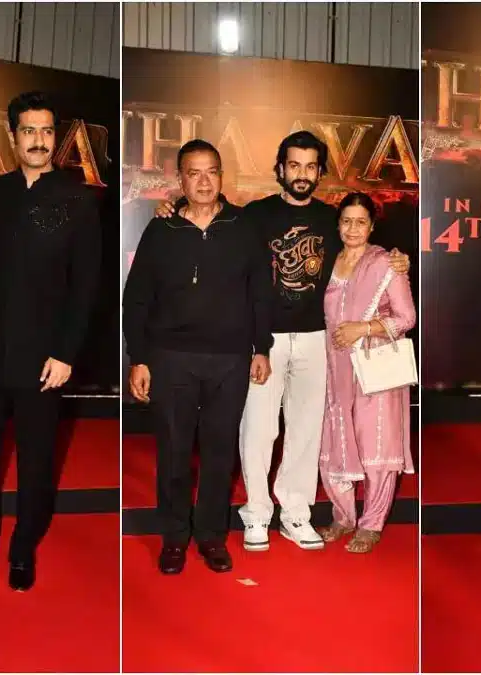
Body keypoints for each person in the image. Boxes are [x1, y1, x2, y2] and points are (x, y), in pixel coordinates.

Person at [155, 131, 409, 552]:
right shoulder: (252, 216)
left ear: (319, 173)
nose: (302, 174)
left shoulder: (332, 219)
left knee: (307, 430)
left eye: (311, 167)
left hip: (315, 339)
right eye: (294, 165)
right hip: (263, 338)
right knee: (258, 428)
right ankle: (256, 514)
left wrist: (397, 259)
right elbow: (205, 214)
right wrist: (173, 207)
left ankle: (295, 512)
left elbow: (364, 247)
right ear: (280, 169)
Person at [0, 91, 101, 591]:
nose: (37, 140)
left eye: (46, 131)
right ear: (13, 137)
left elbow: (87, 286)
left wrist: (65, 354)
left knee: (36, 458)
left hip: (44, 357)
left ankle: (22, 549)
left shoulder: (78, 198)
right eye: (28, 131)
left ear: (56, 139)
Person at [123, 140, 273, 574]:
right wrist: (139, 357)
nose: (204, 181)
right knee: (172, 451)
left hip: (229, 360)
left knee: (219, 452)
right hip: (171, 358)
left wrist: (261, 347)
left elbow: (260, 294)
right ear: (180, 179)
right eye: (194, 172)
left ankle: (210, 536)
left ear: (222, 176)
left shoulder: (244, 226)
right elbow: (136, 300)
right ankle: (173, 536)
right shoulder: (162, 229)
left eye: (212, 172)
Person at [314, 192, 415, 553]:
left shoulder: (386, 263)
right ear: (338, 224)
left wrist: (363, 328)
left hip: (374, 365)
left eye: (361, 222)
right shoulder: (327, 260)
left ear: (371, 226)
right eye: (346, 221)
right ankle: (343, 517)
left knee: (375, 444)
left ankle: (371, 524)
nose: (353, 228)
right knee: (335, 441)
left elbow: (406, 318)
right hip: (332, 365)